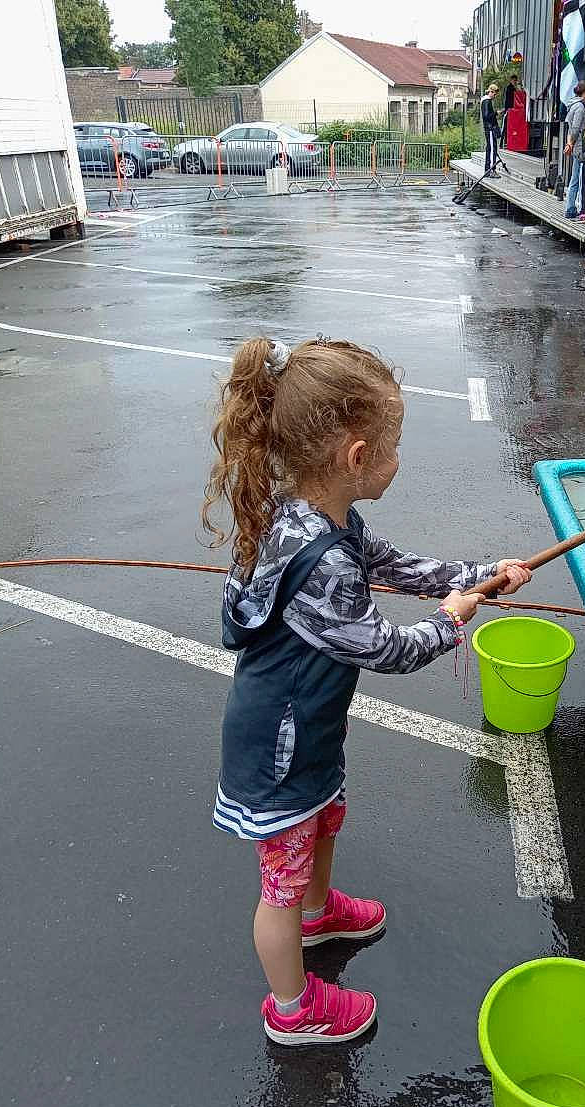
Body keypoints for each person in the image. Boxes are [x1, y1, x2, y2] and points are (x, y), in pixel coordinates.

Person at [202, 337, 531, 1045]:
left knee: (323, 823)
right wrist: (449, 624)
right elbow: (381, 645)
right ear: (356, 456)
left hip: (310, 731)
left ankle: (320, 915)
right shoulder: (321, 561)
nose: (398, 459)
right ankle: (293, 1011)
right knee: (278, 886)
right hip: (278, 752)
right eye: (393, 445)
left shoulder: (325, 516)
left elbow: (393, 564)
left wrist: (477, 575)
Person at [563, 80, 585, 221]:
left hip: (576, 146)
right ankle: (573, 208)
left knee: (574, 177)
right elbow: (576, 128)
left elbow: (569, 126)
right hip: (580, 148)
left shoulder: (572, 105)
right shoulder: (579, 107)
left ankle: (571, 207)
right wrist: (570, 144)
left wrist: (568, 142)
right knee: (578, 179)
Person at [481, 83, 501, 175]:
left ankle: (488, 169)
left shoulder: (485, 101)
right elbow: (486, 116)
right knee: (492, 148)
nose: (495, 96)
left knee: (490, 148)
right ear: (491, 92)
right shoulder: (487, 101)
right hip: (489, 128)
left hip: (488, 128)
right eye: (495, 94)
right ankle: (491, 170)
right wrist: (496, 113)